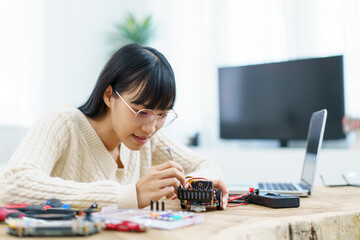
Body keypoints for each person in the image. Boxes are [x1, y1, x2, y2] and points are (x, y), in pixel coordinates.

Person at [0, 43, 228, 209]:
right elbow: (11, 186)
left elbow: (206, 165)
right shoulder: (62, 123)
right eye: (141, 111)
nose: (150, 128)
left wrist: (194, 185)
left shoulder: (147, 137)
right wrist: (131, 194)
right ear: (109, 95)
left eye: (162, 114)